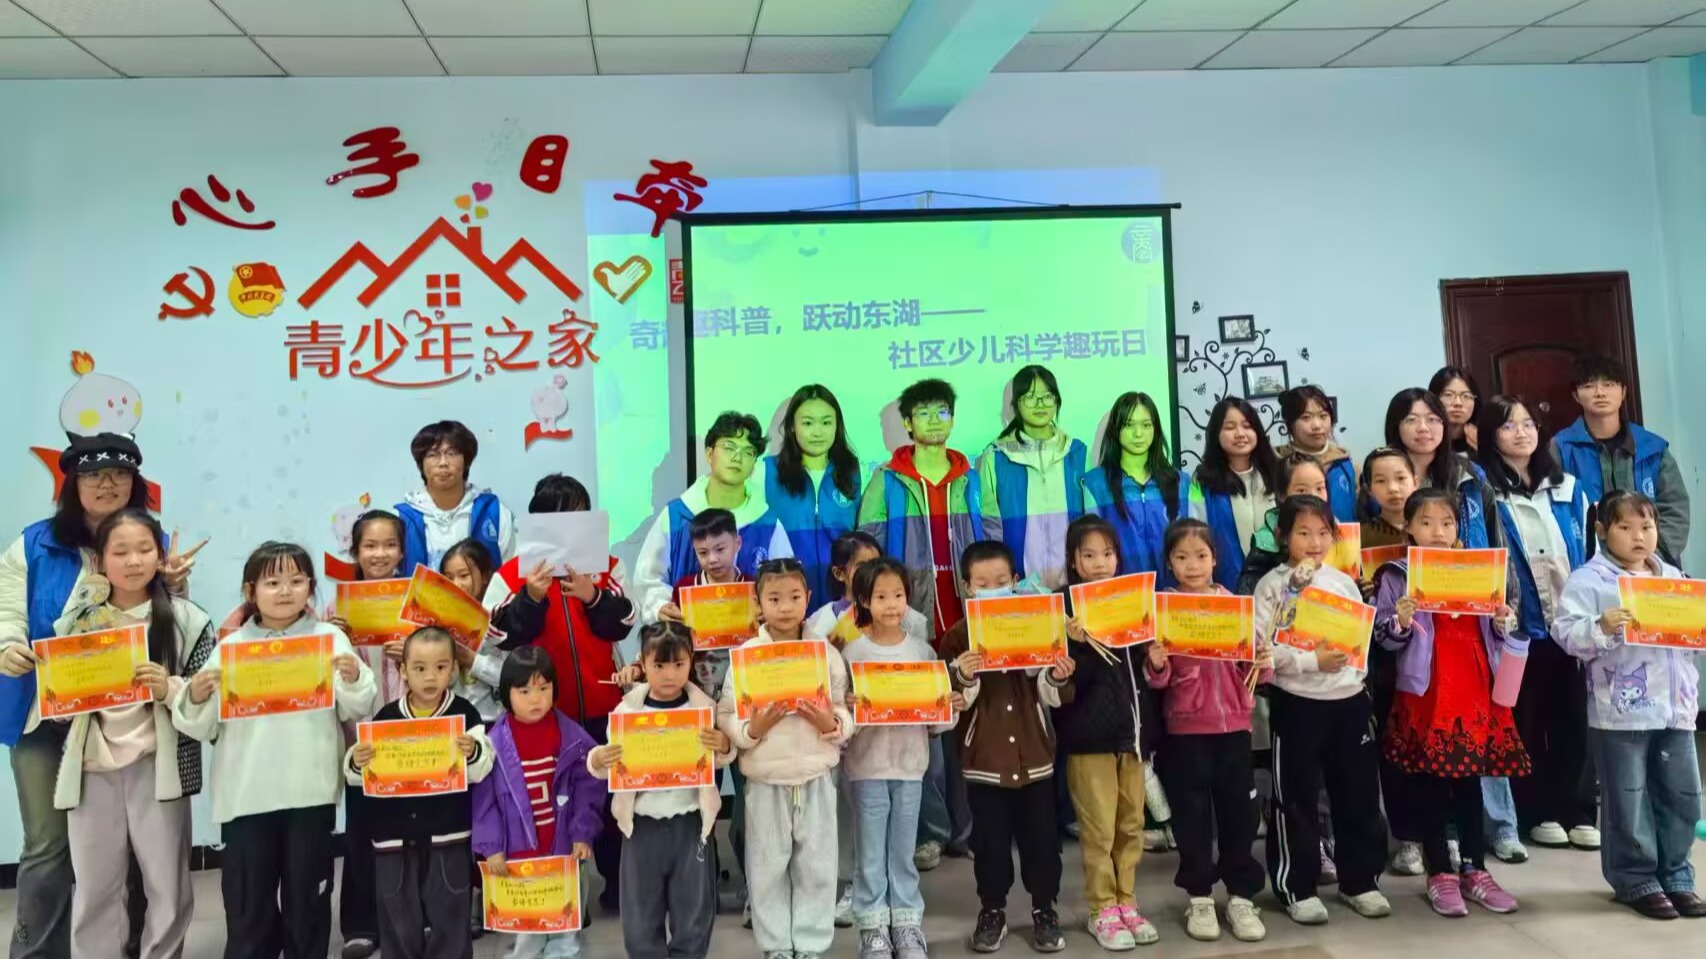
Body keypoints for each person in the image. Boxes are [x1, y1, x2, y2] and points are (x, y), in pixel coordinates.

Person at [0, 432, 187, 959]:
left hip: (127, 722)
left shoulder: (154, 543)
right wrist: (8, 644)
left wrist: (177, 586)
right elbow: (8, 609)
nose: (107, 484)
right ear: (72, 485)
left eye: (119, 474)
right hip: (45, 715)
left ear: (135, 483)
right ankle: (37, 953)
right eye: (93, 475)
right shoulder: (33, 544)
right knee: (47, 845)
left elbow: (166, 625)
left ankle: (131, 947)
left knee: (133, 850)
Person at [174, 541, 378, 959]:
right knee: (249, 906)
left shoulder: (329, 639)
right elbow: (200, 724)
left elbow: (357, 706)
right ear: (250, 591)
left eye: (296, 581)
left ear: (311, 587)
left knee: (308, 902)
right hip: (246, 796)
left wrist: (354, 677)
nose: (285, 591)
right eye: (272, 582)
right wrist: (194, 695)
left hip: (310, 794)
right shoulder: (231, 648)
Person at [39, 509, 215, 959]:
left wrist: (170, 688)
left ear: (160, 556)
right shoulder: (78, 622)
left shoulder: (188, 621)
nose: (133, 561)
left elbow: (209, 707)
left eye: (144, 549)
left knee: (167, 886)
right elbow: (59, 702)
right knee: (95, 887)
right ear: (100, 561)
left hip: (158, 768)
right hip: (92, 768)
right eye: (120, 551)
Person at [1372, 488, 1529, 917]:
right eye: (1426, 523)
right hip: (1428, 691)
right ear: (1408, 528)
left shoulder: (1477, 571)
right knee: (1430, 784)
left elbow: (1497, 628)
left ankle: (1475, 869)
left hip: (1474, 687)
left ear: (1459, 528)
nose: (1437, 532)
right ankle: (1440, 871)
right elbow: (1382, 638)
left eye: (1446, 523)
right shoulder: (1396, 575)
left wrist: (1503, 620)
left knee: (1470, 781)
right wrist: (1400, 621)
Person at [484, 473, 635, 911]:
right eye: (559, 517)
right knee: (553, 803)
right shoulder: (513, 573)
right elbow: (497, 635)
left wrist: (592, 596)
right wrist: (531, 597)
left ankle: (618, 884)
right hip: (544, 713)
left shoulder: (607, 566)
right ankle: (557, 895)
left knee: (609, 796)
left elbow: (624, 622)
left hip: (604, 703)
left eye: (578, 515)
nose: (570, 525)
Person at [1553, 490, 1704, 920]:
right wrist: (1600, 626)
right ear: (1603, 531)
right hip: (1620, 713)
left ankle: (1676, 874)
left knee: (1683, 795)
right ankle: (1635, 879)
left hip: (1676, 709)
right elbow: (1565, 633)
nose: (1639, 536)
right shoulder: (1590, 580)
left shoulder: (1672, 577)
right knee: (1628, 798)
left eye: (1647, 526)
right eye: (1626, 527)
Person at [1253, 497, 1389, 926]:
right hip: (1297, 703)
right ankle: (1298, 886)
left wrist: (1354, 675)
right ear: (1282, 537)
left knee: (1358, 795)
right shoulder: (1272, 586)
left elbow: (1359, 640)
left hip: (1348, 701)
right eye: (1303, 533)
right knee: (1295, 798)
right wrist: (1312, 662)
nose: (1314, 542)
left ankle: (1360, 881)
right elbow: (1262, 651)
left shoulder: (1343, 582)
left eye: (1323, 533)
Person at [938, 541, 1074, 954]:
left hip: (1035, 757)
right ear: (967, 587)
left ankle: (1044, 909)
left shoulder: (1037, 623)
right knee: (990, 846)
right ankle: (992, 910)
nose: (993, 589)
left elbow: (1051, 695)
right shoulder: (957, 636)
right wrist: (963, 675)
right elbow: (952, 702)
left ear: (1016, 581)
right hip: (985, 760)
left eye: (1000, 581)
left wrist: (1057, 675)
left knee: (1042, 842)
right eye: (982, 584)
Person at [716, 558, 853, 959]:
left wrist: (832, 723)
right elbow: (727, 714)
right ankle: (776, 945)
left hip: (815, 774)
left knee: (817, 865)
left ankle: (810, 944)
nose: (785, 607)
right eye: (774, 599)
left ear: (808, 598)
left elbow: (844, 707)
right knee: (766, 867)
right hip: (765, 778)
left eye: (794, 597)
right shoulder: (747, 656)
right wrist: (752, 730)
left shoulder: (824, 654)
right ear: (758, 603)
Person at [1478, 397, 1596, 852]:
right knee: (1524, 720)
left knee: (1572, 718)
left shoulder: (1568, 488)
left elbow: (1588, 551)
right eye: (1509, 426)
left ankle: (1578, 809)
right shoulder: (1484, 490)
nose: (1522, 433)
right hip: (1518, 626)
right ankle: (1538, 811)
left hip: (1568, 622)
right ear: (1491, 435)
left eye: (1528, 424)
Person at [1145, 518, 1269, 943]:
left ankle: (1241, 896)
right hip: (1185, 730)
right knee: (1191, 816)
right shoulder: (1164, 609)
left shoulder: (1234, 606)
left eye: (1201, 555)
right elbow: (1157, 680)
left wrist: (1261, 661)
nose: (1193, 565)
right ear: (1169, 563)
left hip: (1234, 727)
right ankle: (1199, 896)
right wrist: (1157, 664)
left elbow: (1253, 668)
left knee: (1239, 815)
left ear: (1215, 558)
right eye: (1182, 557)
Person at [345, 626, 494, 959]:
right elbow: (358, 775)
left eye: (441, 667)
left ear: (453, 670)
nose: (430, 676)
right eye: (420, 668)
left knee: (450, 912)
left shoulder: (465, 715)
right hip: (393, 838)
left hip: (448, 835)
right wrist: (356, 762)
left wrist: (473, 752)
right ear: (403, 671)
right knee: (397, 915)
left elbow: (482, 767)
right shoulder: (386, 718)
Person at [590, 622, 733, 959]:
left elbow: (720, 757)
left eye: (678, 664)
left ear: (691, 660)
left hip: (691, 822)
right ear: (642, 662)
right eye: (659, 665)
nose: (669, 675)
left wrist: (724, 744)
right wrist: (599, 758)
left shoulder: (703, 708)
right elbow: (607, 763)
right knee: (640, 915)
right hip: (641, 825)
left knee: (693, 910)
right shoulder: (627, 711)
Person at [840, 556, 956, 959]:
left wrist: (948, 705)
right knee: (870, 853)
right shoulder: (853, 653)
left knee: (903, 851)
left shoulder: (922, 651)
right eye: (881, 597)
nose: (891, 604)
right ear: (864, 601)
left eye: (899, 595)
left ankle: (906, 925)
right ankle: (873, 929)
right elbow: (842, 721)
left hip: (910, 765)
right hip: (867, 767)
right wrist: (850, 706)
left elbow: (937, 722)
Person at [1054, 516, 1160, 949]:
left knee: (1131, 825)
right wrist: (1077, 642)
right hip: (1088, 739)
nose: (1100, 563)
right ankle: (1102, 910)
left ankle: (1127, 902)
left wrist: (1155, 657)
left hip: (1130, 733)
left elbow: (1140, 672)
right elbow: (1065, 684)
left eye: (1108, 554)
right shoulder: (1064, 609)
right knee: (1098, 829)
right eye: (1089, 555)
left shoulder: (1131, 600)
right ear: (1074, 561)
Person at [472, 646, 606, 957]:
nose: (536, 699)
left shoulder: (571, 736)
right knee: (527, 934)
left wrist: (582, 833)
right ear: (506, 693)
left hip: (564, 851)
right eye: (525, 691)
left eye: (544, 688)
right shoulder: (494, 743)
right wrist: (492, 848)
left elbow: (589, 786)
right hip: (518, 855)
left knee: (566, 930)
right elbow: (484, 803)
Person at [325, 509, 407, 959]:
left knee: (410, 831)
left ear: (402, 551)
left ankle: (411, 919)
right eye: (370, 545)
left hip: (410, 733)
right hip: (361, 737)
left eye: (389, 545)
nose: (380, 554)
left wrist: (412, 649)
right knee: (361, 831)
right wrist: (334, 638)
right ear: (354, 551)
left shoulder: (415, 601)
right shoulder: (336, 607)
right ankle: (360, 924)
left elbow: (442, 661)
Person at [859, 378, 986, 643]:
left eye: (942, 412)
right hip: (908, 607)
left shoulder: (971, 479)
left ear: (953, 419)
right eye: (924, 413)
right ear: (908, 423)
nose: (935, 420)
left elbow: (992, 540)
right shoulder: (886, 480)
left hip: (967, 606)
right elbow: (868, 549)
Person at [636, 412, 793, 625]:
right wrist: (660, 606)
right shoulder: (677, 516)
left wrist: (772, 609)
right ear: (709, 453)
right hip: (688, 639)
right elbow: (648, 578)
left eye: (748, 452)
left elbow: (786, 582)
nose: (737, 457)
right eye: (729, 447)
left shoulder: (767, 523)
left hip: (751, 641)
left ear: (754, 465)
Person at [1551, 353, 1690, 565]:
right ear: (1576, 395)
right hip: (1590, 568)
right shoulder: (1560, 448)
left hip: (1651, 567)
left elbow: (1675, 510)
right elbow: (1555, 515)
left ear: (1623, 392)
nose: (1600, 393)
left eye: (1609, 384)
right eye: (1589, 386)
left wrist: (1647, 560)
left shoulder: (1652, 447)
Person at [1357, 448, 1425, 877]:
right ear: (1367, 488)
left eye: (1400, 478)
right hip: (1382, 659)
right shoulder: (1359, 536)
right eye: (1380, 481)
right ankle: (1407, 837)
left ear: (1415, 479)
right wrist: (1359, 589)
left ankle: (1443, 832)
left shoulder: (1438, 528)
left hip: (1434, 660)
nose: (1393, 488)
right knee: (1394, 748)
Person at [977, 365, 1087, 592]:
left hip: (1073, 584)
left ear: (1057, 401)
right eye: (1030, 397)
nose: (1040, 404)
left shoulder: (1076, 453)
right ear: (1016, 403)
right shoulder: (996, 456)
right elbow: (989, 526)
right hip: (1019, 586)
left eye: (1047, 397)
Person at [765, 385, 868, 616]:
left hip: (843, 603)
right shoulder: (766, 472)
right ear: (792, 426)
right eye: (808, 423)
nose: (818, 432)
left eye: (826, 422)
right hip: (787, 602)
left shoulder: (852, 471)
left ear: (837, 426)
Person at [1081, 391, 1185, 580]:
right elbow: (1092, 547)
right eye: (1129, 425)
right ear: (1116, 429)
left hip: (1174, 591)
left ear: (1155, 429)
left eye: (1146, 425)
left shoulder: (1181, 482)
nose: (1138, 434)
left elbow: (1196, 543)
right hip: (1120, 592)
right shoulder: (1095, 484)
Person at [397, 420, 517, 572]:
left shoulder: (494, 513)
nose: (443, 463)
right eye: (432, 455)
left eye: (451, 454)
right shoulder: (401, 518)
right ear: (421, 464)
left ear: (466, 461)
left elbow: (512, 573)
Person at [1187, 398, 1276, 591]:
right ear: (1216, 433)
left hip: (1276, 588)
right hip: (1225, 587)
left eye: (1247, 426)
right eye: (1229, 427)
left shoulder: (1275, 473)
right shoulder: (1201, 481)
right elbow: (1195, 535)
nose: (1240, 434)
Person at [804, 530, 926, 649]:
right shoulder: (819, 624)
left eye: (877, 565)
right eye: (863, 566)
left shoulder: (909, 619)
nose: (872, 573)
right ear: (839, 573)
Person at [1235, 453, 1332, 595]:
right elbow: (1249, 593)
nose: (1313, 496)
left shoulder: (1334, 527)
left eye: (1319, 488)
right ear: (1281, 494)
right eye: (1302, 490)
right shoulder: (1266, 542)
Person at [442, 538, 505, 722]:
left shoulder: (501, 619)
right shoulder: (441, 620)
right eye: (448, 578)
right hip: (452, 720)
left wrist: (472, 660)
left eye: (463, 575)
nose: (456, 584)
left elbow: (513, 676)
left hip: (492, 721)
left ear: (485, 576)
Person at [1275, 386, 1358, 523]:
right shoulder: (1278, 465)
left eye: (1323, 416)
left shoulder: (1345, 463)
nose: (1317, 425)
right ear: (1290, 424)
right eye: (1306, 417)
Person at [1429, 367, 1482, 455]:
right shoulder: (1424, 441)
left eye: (1466, 396)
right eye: (1448, 395)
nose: (1458, 403)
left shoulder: (1487, 442)